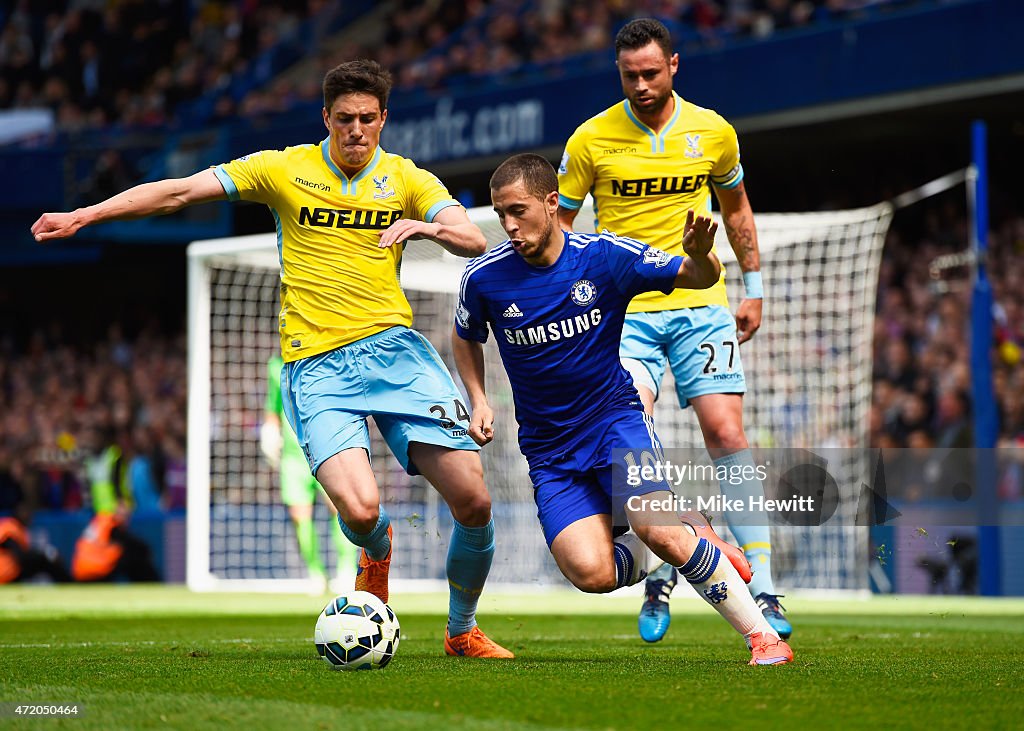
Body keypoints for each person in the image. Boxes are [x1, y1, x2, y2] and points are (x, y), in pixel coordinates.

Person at [31, 60, 511, 659]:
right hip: (317, 365)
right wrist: (88, 214)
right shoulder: (284, 169)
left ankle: (461, 631)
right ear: (325, 119)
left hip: (396, 356)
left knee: (475, 500)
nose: (356, 131)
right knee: (362, 510)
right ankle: (377, 550)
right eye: (344, 120)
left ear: (384, 119)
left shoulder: (409, 178)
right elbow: (180, 190)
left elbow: (473, 238)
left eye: (368, 119)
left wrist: (425, 226)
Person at [453, 153, 792, 665]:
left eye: (518, 211)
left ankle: (762, 636)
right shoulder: (484, 278)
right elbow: (465, 338)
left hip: (615, 422)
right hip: (548, 449)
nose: (508, 225)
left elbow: (695, 277)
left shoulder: (604, 255)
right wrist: (478, 397)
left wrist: (703, 257)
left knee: (657, 527)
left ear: (551, 202)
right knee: (591, 574)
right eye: (500, 213)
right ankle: (691, 534)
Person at [556, 18, 791, 643]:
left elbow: (736, 211)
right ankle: (666, 556)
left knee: (726, 431)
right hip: (624, 312)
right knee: (635, 433)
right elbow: (558, 230)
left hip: (700, 300)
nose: (641, 84)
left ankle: (762, 585)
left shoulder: (713, 132)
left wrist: (755, 287)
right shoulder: (589, 140)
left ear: (675, 66)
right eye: (630, 75)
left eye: (651, 73)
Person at [261, 353, 358, 592]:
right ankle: (316, 573)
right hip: (293, 457)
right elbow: (273, 405)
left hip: (324, 447)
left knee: (340, 509)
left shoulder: (326, 358)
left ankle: (345, 570)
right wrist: (269, 430)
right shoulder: (276, 366)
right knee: (299, 516)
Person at [71, 503, 161, 582]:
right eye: (122, 515)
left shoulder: (100, 521)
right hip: (96, 572)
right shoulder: (112, 527)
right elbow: (141, 547)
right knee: (133, 555)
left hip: (80, 572)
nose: (125, 519)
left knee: (127, 553)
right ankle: (152, 583)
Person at [0, 507, 72, 584]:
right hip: (5, 574)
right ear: (18, 512)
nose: (28, 515)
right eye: (25, 511)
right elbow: (21, 556)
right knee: (45, 561)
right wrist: (46, 554)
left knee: (46, 562)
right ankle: (70, 583)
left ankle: (68, 583)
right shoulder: (9, 527)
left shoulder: (18, 528)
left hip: (11, 573)